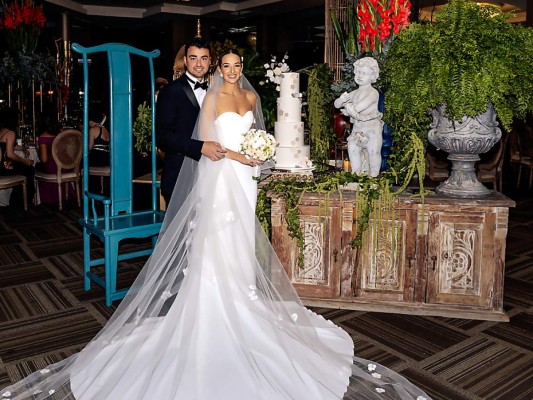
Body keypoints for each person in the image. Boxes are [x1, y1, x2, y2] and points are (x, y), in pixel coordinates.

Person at [0, 50, 430, 400]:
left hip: (244, 180)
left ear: (234, 68)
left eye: (224, 62)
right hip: (215, 174)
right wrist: (226, 154)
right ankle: (210, 308)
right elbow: (197, 142)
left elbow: (256, 137)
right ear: (189, 61)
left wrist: (257, 154)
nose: (216, 67)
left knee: (240, 243)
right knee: (208, 241)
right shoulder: (186, 97)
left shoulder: (250, 98)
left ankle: (242, 300)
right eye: (206, 60)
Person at [156, 37, 227, 206]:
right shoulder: (170, 91)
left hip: (211, 174)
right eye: (193, 58)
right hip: (180, 175)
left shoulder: (216, 93)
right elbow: (163, 136)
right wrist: (200, 147)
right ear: (186, 61)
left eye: (203, 58)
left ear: (210, 61)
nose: (198, 64)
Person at [334, 57, 384, 177]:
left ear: (373, 76)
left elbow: (357, 108)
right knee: (353, 149)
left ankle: (374, 177)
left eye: (364, 73)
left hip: (371, 129)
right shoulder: (355, 93)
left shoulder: (373, 93)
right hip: (357, 129)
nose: (360, 76)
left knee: (373, 152)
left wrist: (348, 107)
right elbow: (336, 105)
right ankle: (356, 176)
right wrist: (341, 100)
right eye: (358, 72)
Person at [34, 115, 76, 205]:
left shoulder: (43, 137)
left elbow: (44, 160)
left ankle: (46, 199)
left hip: (53, 169)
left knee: (37, 166)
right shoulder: (62, 133)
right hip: (67, 165)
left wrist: (38, 149)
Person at [0, 108, 35, 205]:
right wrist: (25, 161)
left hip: (1, 167)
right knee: (29, 169)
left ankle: (18, 200)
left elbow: (8, 146)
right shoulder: (11, 133)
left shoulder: (2, 131)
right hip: (5, 167)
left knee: (24, 169)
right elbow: (10, 154)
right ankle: (23, 201)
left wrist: (23, 148)